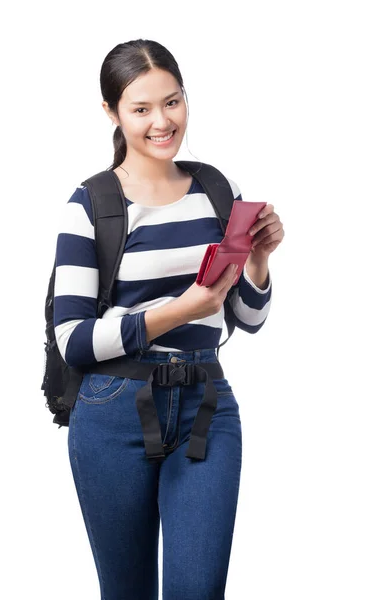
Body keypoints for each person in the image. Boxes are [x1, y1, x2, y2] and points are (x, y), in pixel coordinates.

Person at [53, 38, 284, 600]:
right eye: (141, 109)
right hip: (113, 411)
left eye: (173, 102)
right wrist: (179, 310)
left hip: (206, 406)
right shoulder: (92, 204)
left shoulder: (216, 189)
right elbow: (73, 342)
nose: (163, 121)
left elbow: (247, 319)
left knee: (197, 591)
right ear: (111, 113)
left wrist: (258, 262)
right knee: (127, 591)